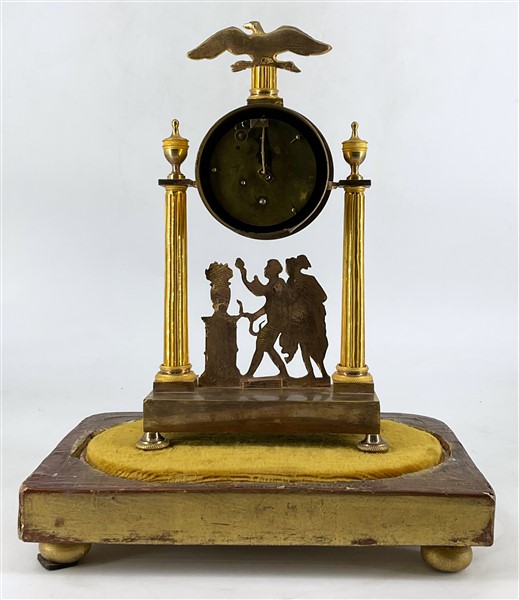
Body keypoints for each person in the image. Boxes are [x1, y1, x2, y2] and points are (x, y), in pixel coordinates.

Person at [235, 257, 288, 379]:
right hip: (275, 322)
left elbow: (260, 291)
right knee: (268, 347)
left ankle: (249, 374)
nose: (265, 269)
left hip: (277, 322)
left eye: (268, 267)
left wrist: (243, 273)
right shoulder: (272, 284)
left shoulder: (278, 283)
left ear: (274, 270)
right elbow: (268, 306)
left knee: (260, 344)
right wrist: (254, 316)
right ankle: (283, 373)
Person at [281, 255, 329, 379]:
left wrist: (306, 294)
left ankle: (323, 373)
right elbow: (288, 301)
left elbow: (323, 296)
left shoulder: (309, 280)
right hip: (299, 320)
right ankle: (310, 373)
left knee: (315, 346)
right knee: (304, 346)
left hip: (311, 318)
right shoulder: (290, 283)